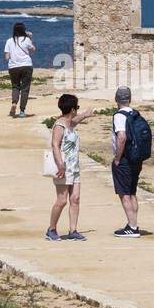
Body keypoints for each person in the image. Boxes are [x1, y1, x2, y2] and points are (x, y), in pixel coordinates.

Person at [47, 93, 88, 241]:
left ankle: (73, 230)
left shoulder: (70, 122)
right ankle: (51, 229)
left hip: (74, 167)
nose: (77, 110)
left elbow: (75, 121)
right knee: (62, 200)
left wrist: (85, 115)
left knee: (75, 198)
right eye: (76, 107)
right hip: (63, 168)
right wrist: (60, 165)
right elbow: (55, 145)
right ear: (72, 109)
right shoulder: (59, 125)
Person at [110, 86, 147, 237]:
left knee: (124, 193)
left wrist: (117, 158)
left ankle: (132, 227)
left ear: (116, 99)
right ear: (130, 99)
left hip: (125, 158)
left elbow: (122, 137)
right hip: (136, 158)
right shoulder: (135, 114)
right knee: (132, 192)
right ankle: (134, 223)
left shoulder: (119, 116)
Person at [3, 22, 36, 118]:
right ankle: (22, 111)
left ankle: (14, 103)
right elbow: (33, 51)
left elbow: (7, 56)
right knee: (25, 89)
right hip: (26, 66)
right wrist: (31, 39)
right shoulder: (27, 40)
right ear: (23, 30)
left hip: (13, 67)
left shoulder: (9, 41)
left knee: (15, 86)